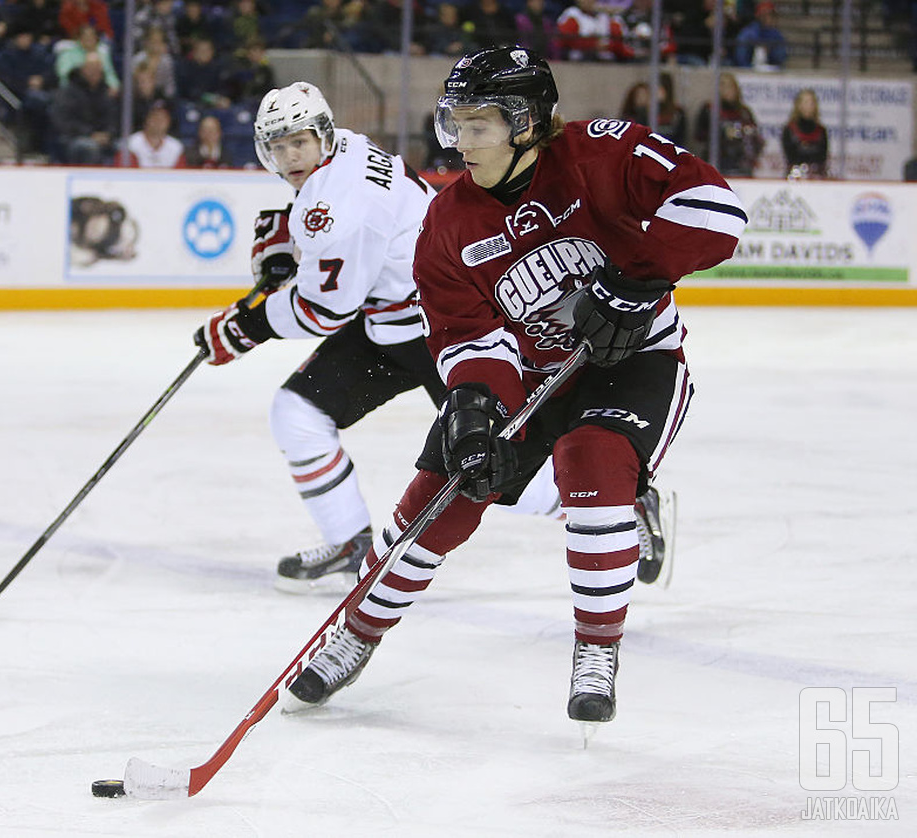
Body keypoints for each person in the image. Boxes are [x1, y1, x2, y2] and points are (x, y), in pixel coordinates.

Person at [282, 46, 746, 728]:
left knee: (591, 465)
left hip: (635, 360)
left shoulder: (601, 153)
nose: (460, 142)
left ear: (527, 122)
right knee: (440, 497)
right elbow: (464, 332)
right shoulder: (448, 222)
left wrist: (636, 280)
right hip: (530, 374)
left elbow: (714, 206)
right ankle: (356, 631)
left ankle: (596, 647)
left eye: (478, 125)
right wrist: (474, 406)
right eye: (455, 123)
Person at [193, 81, 446, 593]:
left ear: (322, 135)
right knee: (298, 413)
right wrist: (289, 235)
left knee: (497, 469)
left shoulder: (335, 209)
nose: (289, 157)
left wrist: (244, 326)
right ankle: (350, 538)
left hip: (445, 330)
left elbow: (323, 309)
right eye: (276, 146)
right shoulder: (348, 145)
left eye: (299, 142)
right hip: (397, 316)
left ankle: (615, 506)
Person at [49, 53, 117, 165]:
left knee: (124, 148)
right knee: (89, 147)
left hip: (102, 138)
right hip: (73, 138)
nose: (94, 73)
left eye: (97, 69)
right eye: (91, 69)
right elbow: (63, 121)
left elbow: (112, 118)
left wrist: (108, 134)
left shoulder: (105, 92)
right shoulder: (68, 92)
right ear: (83, 70)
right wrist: (90, 134)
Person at [694, 71, 763, 178]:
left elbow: (755, 136)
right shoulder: (709, 110)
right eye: (722, 85)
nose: (726, 90)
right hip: (716, 163)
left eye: (729, 86)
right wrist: (722, 133)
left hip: (741, 165)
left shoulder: (744, 113)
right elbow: (699, 135)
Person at [120, 98, 185, 167]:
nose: (159, 121)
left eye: (163, 117)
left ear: (169, 121)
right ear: (146, 119)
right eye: (155, 117)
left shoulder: (175, 147)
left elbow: (181, 174)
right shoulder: (131, 143)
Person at [781, 87, 827, 179]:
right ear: (798, 105)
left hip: (817, 178)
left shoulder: (821, 131)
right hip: (795, 177)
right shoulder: (790, 130)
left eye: (811, 103)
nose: (808, 106)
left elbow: (822, 157)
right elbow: (792, 156)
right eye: (805, 102)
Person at [734, 1, 787, 68]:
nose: (768, 18)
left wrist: (770, 50)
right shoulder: (748, 33)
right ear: (759, 17)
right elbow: (741, 58)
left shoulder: (776, 34)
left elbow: (781, 58)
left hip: (770, 70)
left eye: (771, 15)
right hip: (749, 69)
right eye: (765, 15)